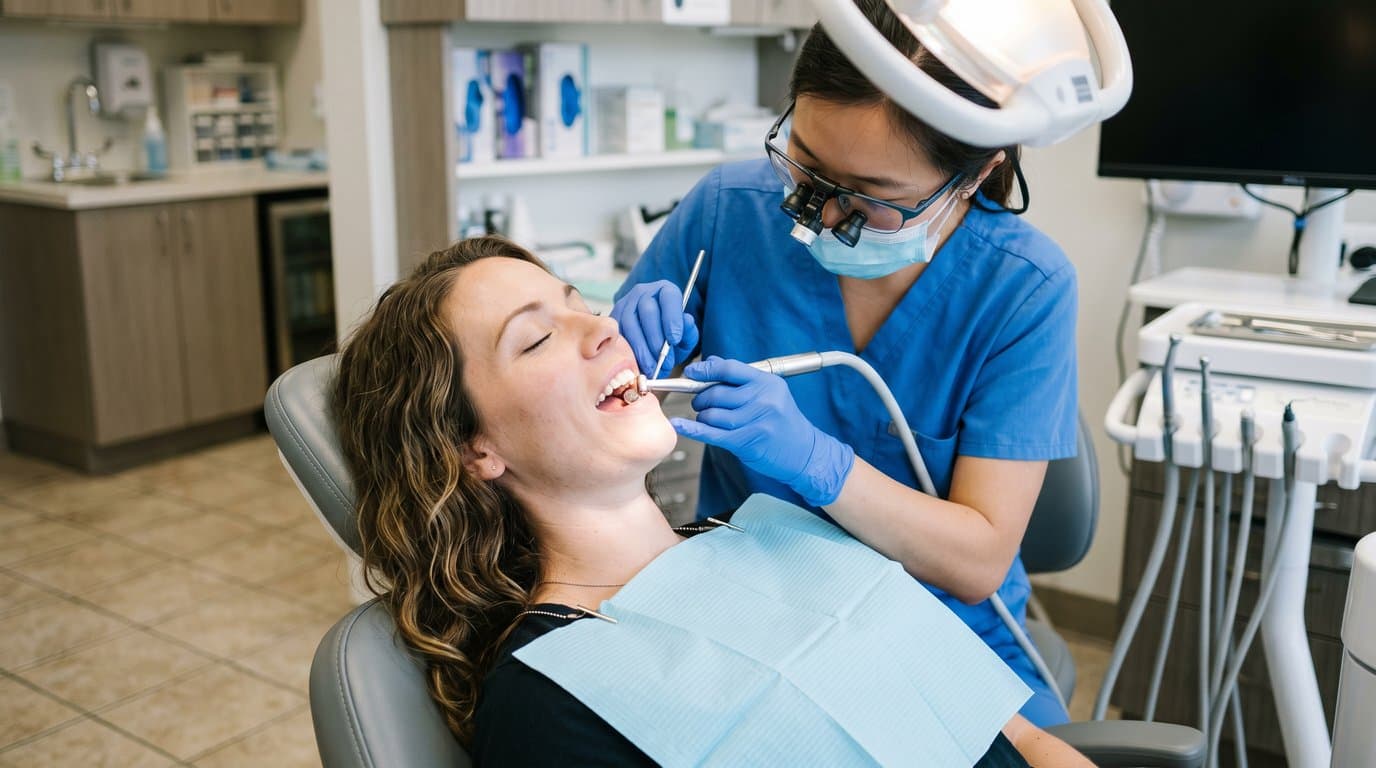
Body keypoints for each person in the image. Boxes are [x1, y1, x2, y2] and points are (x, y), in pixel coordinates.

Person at [332, 237, 1090, 766]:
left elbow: (1022, 742)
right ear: (475, 451)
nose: (603, 327)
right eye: (535, 341)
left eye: (580, 305)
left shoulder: (784, 533)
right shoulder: (549, 699)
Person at [613, 0, 1078, 726]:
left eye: (869, 195)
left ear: (975, 174)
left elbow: (979, 558)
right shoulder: (728, 210)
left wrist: (818, 463)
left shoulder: (1024, 289)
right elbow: (614, 388)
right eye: (806, 166)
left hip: (938, 640)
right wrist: (626, 347)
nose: (819, 213)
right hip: (741, 616)